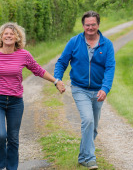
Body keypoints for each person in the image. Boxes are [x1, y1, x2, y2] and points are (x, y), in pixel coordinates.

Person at [0, 22, 65, 170]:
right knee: (1, 135)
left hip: (15, 102)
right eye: (6, 33)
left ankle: (12, 168)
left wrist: (55, 81)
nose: (8, 36)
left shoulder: (23, 55)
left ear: (17, 38)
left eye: (12, 34)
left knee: (13, 138)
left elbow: (38, 70)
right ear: (1, 37)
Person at [54, 11, 115, 169]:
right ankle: (90, 158)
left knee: (93, 126)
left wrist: (105, 88)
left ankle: (82, 156)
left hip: (98, 91)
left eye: (93, 24)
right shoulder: (74, 42)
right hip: (79, 88)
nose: (90, 27)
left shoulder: (106, 44)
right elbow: (61, 62)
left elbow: (110, 68)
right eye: (87, 25)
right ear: (83, 26)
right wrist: (58, 79)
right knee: (87, 120)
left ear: (98, 25)